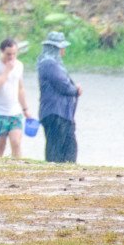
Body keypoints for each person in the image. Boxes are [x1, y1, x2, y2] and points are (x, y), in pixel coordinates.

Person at [37, 31, 82, 163]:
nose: (63, 51)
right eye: (62, 48)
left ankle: (67, 172)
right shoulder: (49, 63)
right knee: (56, 149)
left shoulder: (52, 63)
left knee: (69, 148)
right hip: (55, 113)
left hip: (62, 113)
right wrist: (76, 89)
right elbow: (63, 85)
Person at [0, 37, 31, 158]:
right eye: (8, 54)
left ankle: (18, 166)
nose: (11, 57)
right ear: (1, 51)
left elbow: (20, 88)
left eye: (14, 54)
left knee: (16, 142)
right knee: (0, 146)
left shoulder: (19, 65)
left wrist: (25, 109)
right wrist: (6, 71)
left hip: (15, 112)